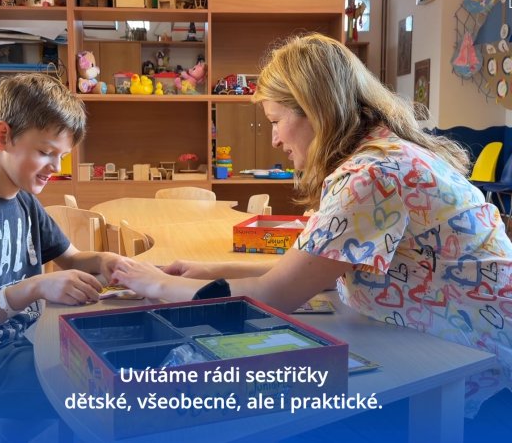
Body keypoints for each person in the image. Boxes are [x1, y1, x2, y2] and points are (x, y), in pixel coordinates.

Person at [110, 33, 512, 414]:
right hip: (459, 351)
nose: (273, 139)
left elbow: (275, 295)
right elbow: (316, 270)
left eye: (275, 121)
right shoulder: (383, 154)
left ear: (315, 111)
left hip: (482, 373)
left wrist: (157, 284)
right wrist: (209, 271)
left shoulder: (371, 174)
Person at [0, 73, 125, 422]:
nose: (56, 167)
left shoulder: (24, 201)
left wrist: (105, 260)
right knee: (95, 381)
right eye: (46, 153)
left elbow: (72, 259)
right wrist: (32, 288)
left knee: (119, 347)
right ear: (2, 136)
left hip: (29, 340)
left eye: (62, 156)